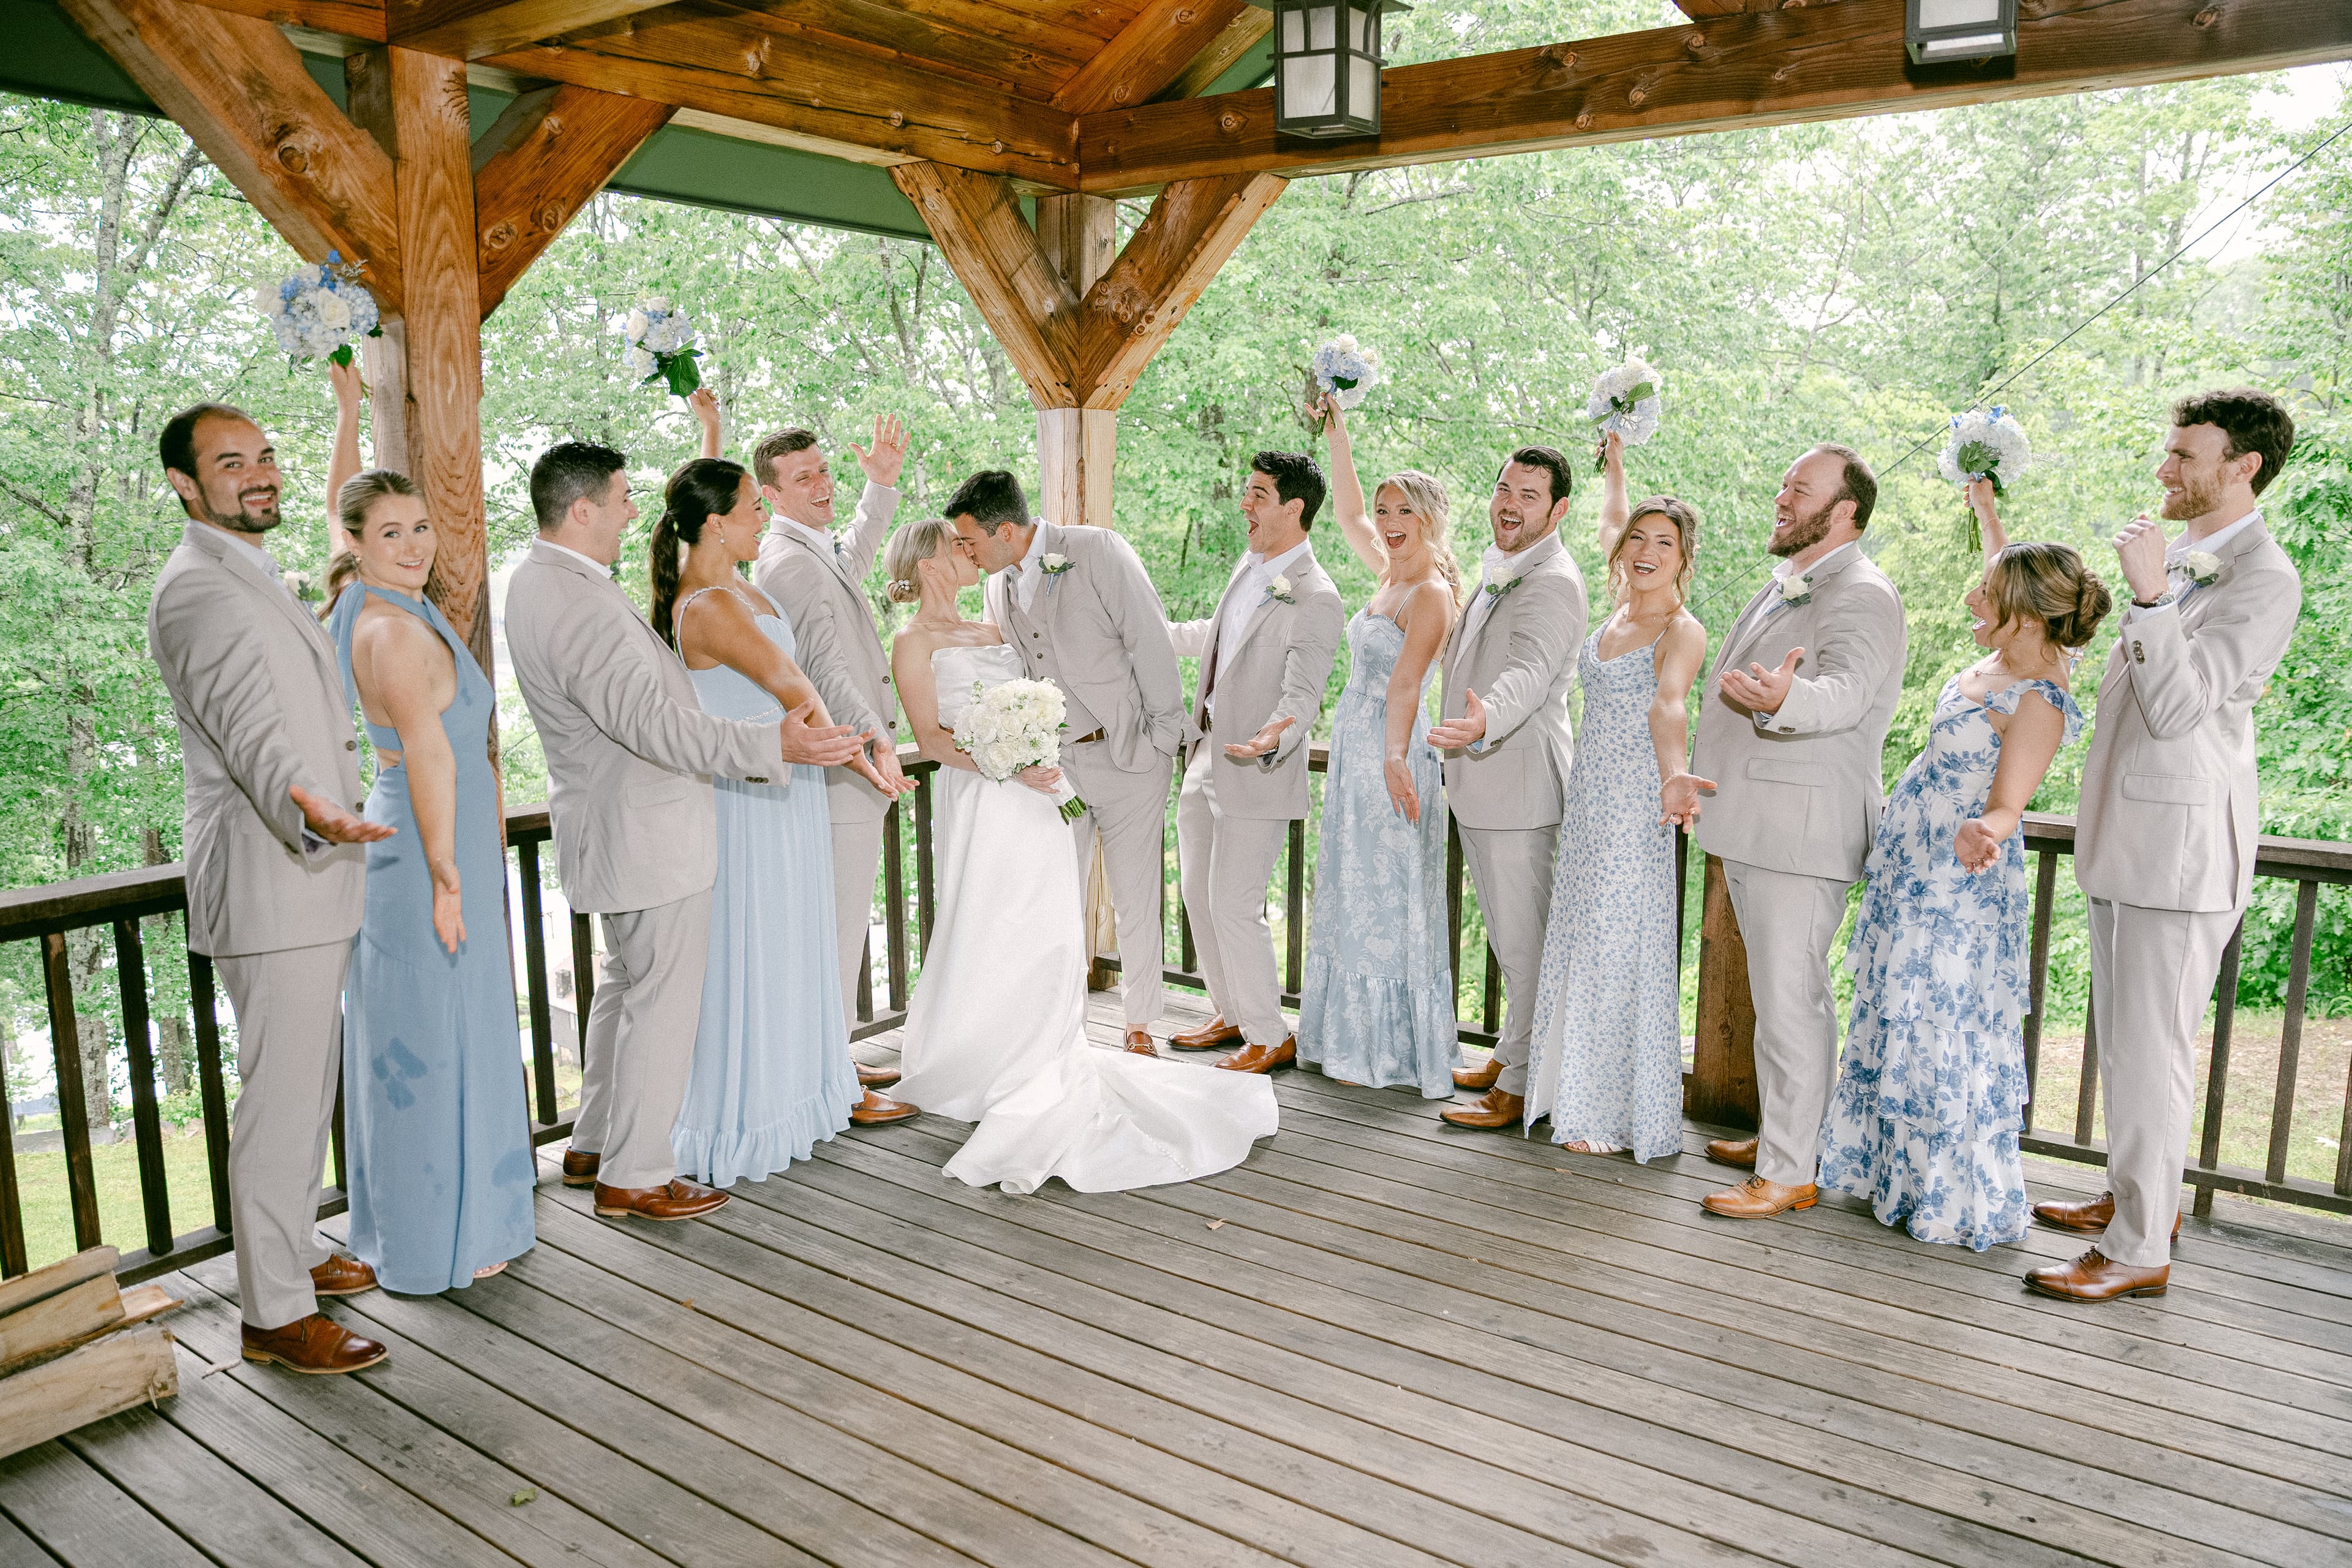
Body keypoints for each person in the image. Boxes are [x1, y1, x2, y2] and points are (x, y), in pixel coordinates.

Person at [504, 442, 865, 1223]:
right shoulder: (572, 597)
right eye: (623, 497)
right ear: (582, 510)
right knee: (663, 1004)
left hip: (614, 826)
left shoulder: (543, 584)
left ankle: (592, 1142)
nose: (636, 511)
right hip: (647, 829)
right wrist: (773, 746)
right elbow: (652, 726)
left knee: (626, 992)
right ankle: (634, 1175)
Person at [883, 518, 1277, 1191]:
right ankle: (974, 1054)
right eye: (956, 546)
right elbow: (931, 736)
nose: (967, 552)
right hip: (980, 798)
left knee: (1045, 927)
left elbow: (1045, 692)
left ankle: (1042, 1047)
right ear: (928, 564)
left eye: (967, 540)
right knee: (984, 923)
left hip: (1036, 797)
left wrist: (1034, 755)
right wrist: (1004, 760)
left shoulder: (995, 628)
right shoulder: (911, 641)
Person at [2027, 389, 2303, 1302]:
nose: (2165, 470)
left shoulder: (2264, 577)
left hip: (2180, 854)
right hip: (2129, 834)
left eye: (2186, 455)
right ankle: (2138, 1199)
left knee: (2151, 1052)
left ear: (2243, 466)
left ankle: (2142, 1251)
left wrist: (2148, 595)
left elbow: (2182, 708)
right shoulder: (2189, 561)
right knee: (2127, 1043)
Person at [148, 398, 394, 1374]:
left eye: (265, 455)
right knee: (282, 1104)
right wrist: (315, 811)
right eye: (230, 463)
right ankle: (274, 1314)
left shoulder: (247, 569)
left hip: (304, 877)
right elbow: (249, 730)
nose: (259, 475)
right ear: (183, 484)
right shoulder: (198, 591)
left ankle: (289, 1252)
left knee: (302, 1086)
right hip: (272, 870)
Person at [1819, 480, 2108, 1248]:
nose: (1973, 597)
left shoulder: (2042, 693)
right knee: (1893, 1010)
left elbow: (2011, 801)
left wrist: (1988, 825)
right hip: (1911, 869)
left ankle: (1946, 1193)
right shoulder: (2008, 649)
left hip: (1957, 883)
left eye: (1990, 594)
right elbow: (2005, 571)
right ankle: (1887, 1171)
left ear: (2027, 612)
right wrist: (1987, 514)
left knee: (1938, 1025)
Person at [320, 375, 536, 1294]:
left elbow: (340, 518)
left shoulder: (356, 605)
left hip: (403, 841)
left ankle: (426, 1221)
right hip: (425, 849)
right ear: (361, 548)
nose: (413, 546)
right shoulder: (399, 638)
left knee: (411, 1035)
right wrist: (454, 878)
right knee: (439, 1037)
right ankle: (449, 1232)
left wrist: (343, 421)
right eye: (391, 535)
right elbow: (435, 760)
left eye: (420, 528)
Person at [654, 458, 920, 1188]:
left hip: (788, 787)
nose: (760, 520)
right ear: (715, 522)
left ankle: (806, 1092)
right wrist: (860, 755)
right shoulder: (707, 602)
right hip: (750, 801)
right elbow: (793, 683)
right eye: (749, 507)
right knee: (755, 947)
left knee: (794, 942)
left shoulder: (744, 584)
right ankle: (746, 1114)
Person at [1689, 443, 1907, 1220]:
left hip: (1801, 832)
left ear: (1844, 509)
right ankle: (1788, 1134)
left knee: (1791, 1005)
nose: (1782, 495)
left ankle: (1788, 1172)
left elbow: (1843, 693)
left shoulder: (1863, 592)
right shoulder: (1789, 584)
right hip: (1756, 824)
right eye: (1782, 481)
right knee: (1775, 1002)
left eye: (1800, 487)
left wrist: (1786, 697)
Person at [951, 469, 1187, 1056]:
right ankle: (1063, 1026)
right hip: (1059, 772)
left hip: (1129, 754)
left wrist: (1163, 738)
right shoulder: (998, 586)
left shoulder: (1097, 550)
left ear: (1005, 530)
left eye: (970, 541)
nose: (966, 553)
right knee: (1058, 896)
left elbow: (1149, 640)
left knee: (1135, 899)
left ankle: (1139, 1026)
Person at [1521, 431, 1706, 1158]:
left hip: (1637, 806)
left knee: (1615, 946)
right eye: (1638, 540)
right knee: (1580, 939)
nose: (1644, 550)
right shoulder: (1617, 614)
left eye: (1663, 543)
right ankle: (1570, 1093)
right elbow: (1609, 520)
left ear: (1684, 559)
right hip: (1589, 802)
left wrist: (1674, 774)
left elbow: (1670, 705)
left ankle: (1607, 1112)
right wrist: (1617, 465)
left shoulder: (1678, 629)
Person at [725, 398, 915, 1059]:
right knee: (835, 934)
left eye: (825, 470)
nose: (823, 484)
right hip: (842, 770)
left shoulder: (808, 551)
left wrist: (880, 486)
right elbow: (826, 669)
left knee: (840, 930)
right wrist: (877, 740)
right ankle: (831, 1078)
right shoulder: (788, 561)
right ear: (770, 493)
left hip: (846, 766)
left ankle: (827, 1071)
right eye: (803, 478)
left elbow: (853, 562)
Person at [1294, 399, 1461, 1095]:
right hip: (1357, 753)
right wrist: (1339, 434)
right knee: (1352, 887)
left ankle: (1393, 1049)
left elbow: (1407, 686)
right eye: (1387, 513)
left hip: (1394, 752)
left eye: (1404, 514)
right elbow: (1346, 515)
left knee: (1392, 894)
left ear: (1429, 521)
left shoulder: (1430, 593)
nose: (1389, 525)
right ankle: (1343, 1037)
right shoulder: (1386, 573)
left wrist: (1394, 760)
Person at [1166, 452, 1348, 1074]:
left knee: (1235, 904)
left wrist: (1275, 735)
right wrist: (1143, 631)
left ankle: (1271, 1036)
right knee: (1197, 894)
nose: (1245, 504)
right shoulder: (1248, 570)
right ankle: (1233, 1012)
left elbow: (1303, 693)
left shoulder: (1318, 596)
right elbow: (1209, 639)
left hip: (1258, 766)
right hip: (1205, 754)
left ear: (1293, 509)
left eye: (1258, 495)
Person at [1428, 445, 1589, 1131]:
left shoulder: (1552, 580)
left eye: (1529, 495)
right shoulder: (1504, 571)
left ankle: (1522, 1086)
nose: (1509, 504)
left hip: (1519, 787)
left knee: (1526, 946)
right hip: (1487, 783)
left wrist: (1482, 719)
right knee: (1508, 937)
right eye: (1503, 488)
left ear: (1558, 511)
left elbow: (1526, 672)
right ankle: (1510, 1051)